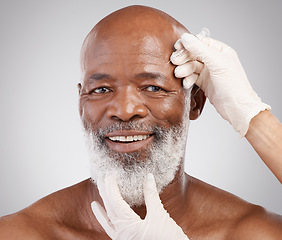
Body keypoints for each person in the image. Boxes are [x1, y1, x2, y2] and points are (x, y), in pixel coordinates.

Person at [0, 5, 281, 240]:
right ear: (80, 103)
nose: (124, 110)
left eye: (152, 87)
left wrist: (252, 117)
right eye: (100, 90)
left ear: (194, 102)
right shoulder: (20, 233)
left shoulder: (250, 232)